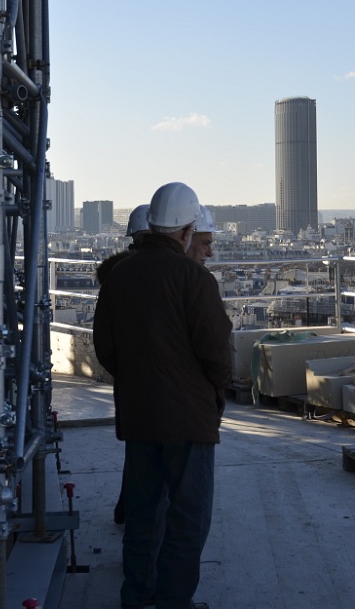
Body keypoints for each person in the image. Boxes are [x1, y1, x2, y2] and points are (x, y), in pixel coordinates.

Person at [94, 182, 232, 609]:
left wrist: (138, 379)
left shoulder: (118, 275)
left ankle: (136, 596)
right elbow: (217, 352)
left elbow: (106, 348)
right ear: (187, 230)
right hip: (188, 419)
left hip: (138, 415)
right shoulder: (195, 278)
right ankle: (174, 601)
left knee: (142, 513)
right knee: (188, 517)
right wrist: (211, 391)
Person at [100, 203, 150, 526]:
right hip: (161, 384)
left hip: (131, 382)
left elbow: (104, 343)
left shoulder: (115, 276)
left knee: (138, 453)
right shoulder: (167, 274)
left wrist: (124, 371)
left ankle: (127, 508)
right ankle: (135, 514)